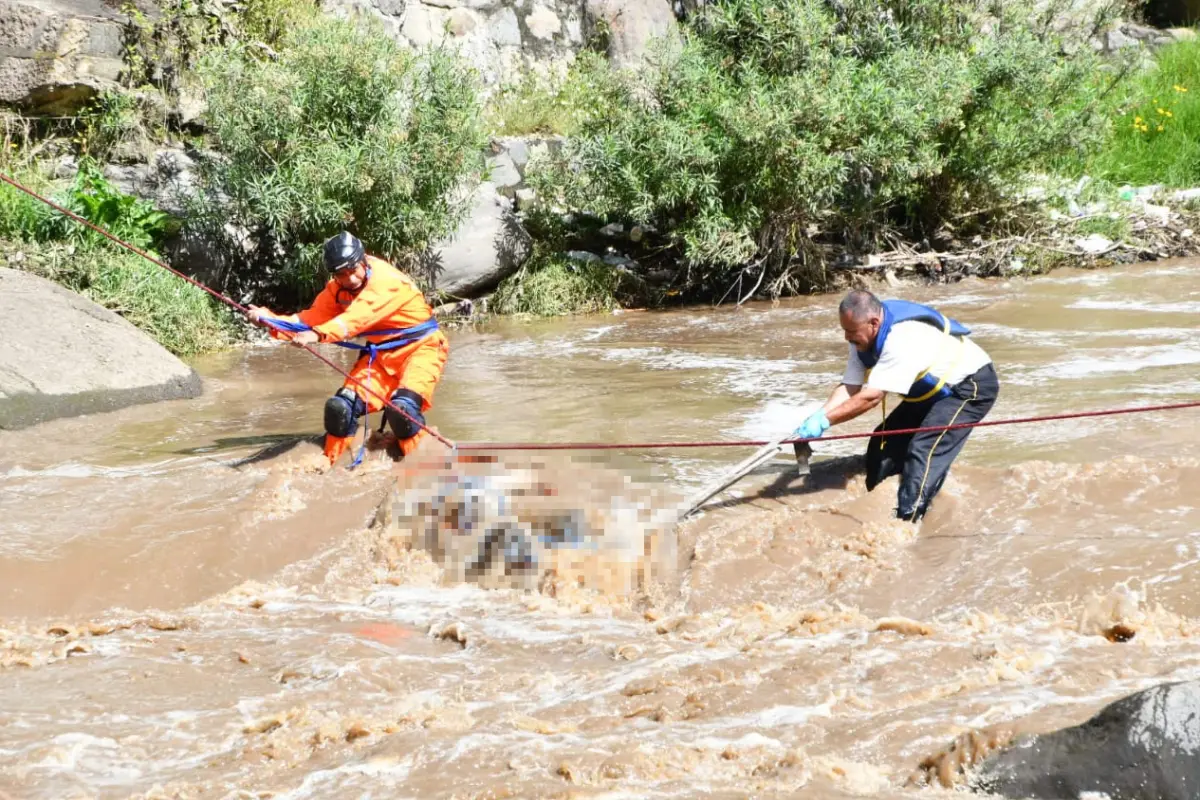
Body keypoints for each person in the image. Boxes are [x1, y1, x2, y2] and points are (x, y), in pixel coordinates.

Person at [245, 232, 449, 466]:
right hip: (381, 356)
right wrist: (268, 319)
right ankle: (329, 464)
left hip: (421, 349)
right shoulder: (337, 288)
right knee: (340, 408)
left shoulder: (386, 282)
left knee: (402, 410)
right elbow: (309, 319)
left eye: (353, 270)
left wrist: (317, 335)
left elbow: (353, 320)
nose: (350, 278)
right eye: (341, 274)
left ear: (363, 261)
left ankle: (421, 464)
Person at [794, 289, 999, 521]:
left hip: (969, 386)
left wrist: (826, 421)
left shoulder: (900, 338)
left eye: (850, 331)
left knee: (923, 449)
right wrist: (819, 415)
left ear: (874, 323)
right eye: (844, 330)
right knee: (883, 441)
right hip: (931, 391)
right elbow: (850, 387)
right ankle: (878, 500)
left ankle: (907, 521)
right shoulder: (860, 338)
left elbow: (871, 397)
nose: (846, 338)